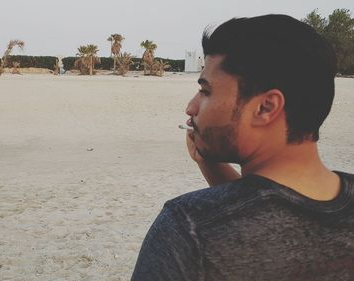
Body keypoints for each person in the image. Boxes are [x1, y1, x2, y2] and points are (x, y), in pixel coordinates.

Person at [131, 14, 354, 280]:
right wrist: (210, 165)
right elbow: (278, 209)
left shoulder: (188, 229)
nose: (191, 107)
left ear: (266, 107)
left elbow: (253, 217)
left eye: (206, 91)